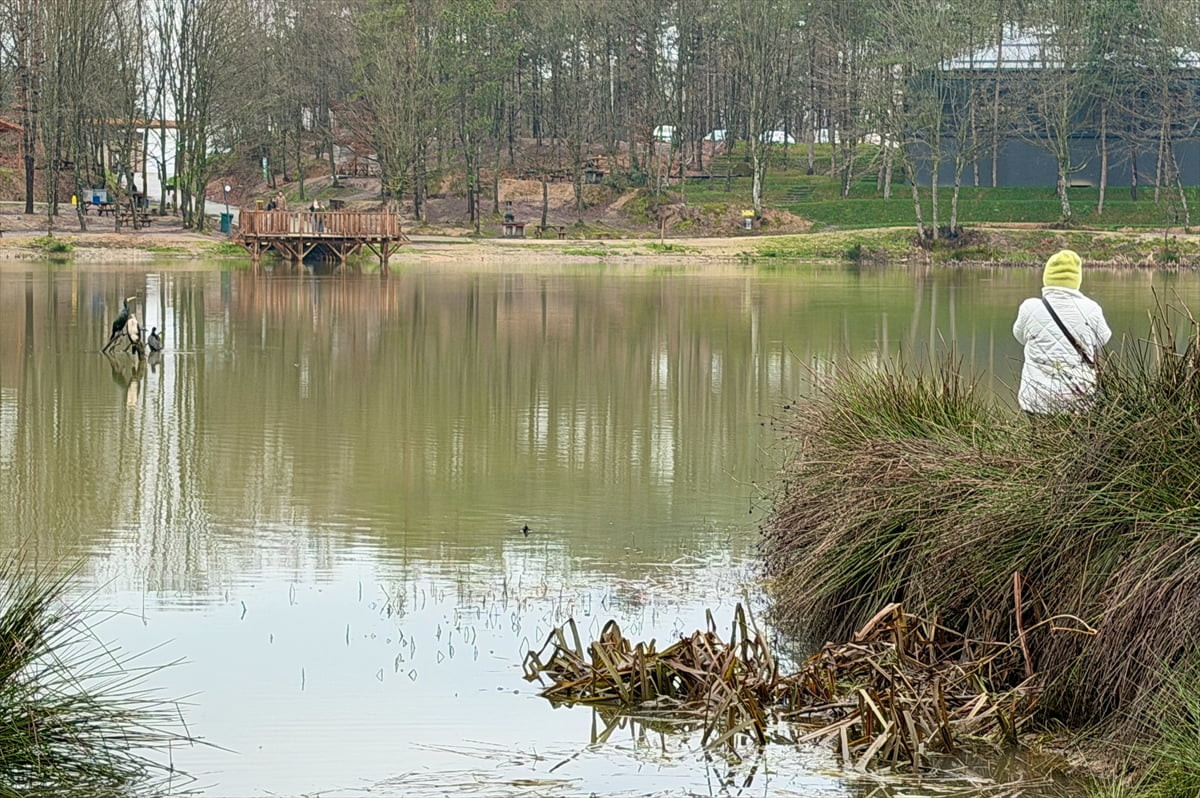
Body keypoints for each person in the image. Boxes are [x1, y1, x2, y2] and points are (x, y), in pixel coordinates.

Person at [1012, 249, 1111, 414]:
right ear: (1077, 279)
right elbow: (1103, 339)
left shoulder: (1029, 308)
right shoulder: (1092, 309)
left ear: (1047, 278)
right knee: (1078, 438)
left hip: (1036, 399)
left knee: (1037, 439)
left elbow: (1019, 336)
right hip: (1079, 398)